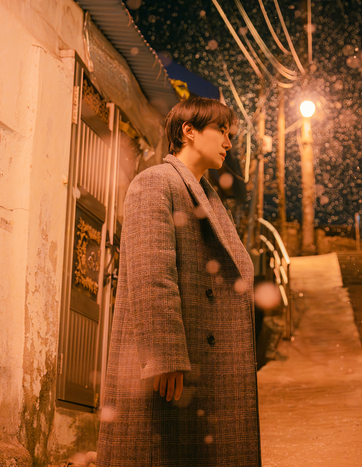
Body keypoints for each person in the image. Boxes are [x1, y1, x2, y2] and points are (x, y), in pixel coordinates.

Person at [97, 97, 261, 466]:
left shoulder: (205, 195)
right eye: (221, 130)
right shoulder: (155, 182)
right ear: (189, 131)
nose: (228, 143)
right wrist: (164, 355)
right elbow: (152, 274)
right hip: (172, 367)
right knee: (159, 453)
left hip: (198, 361)